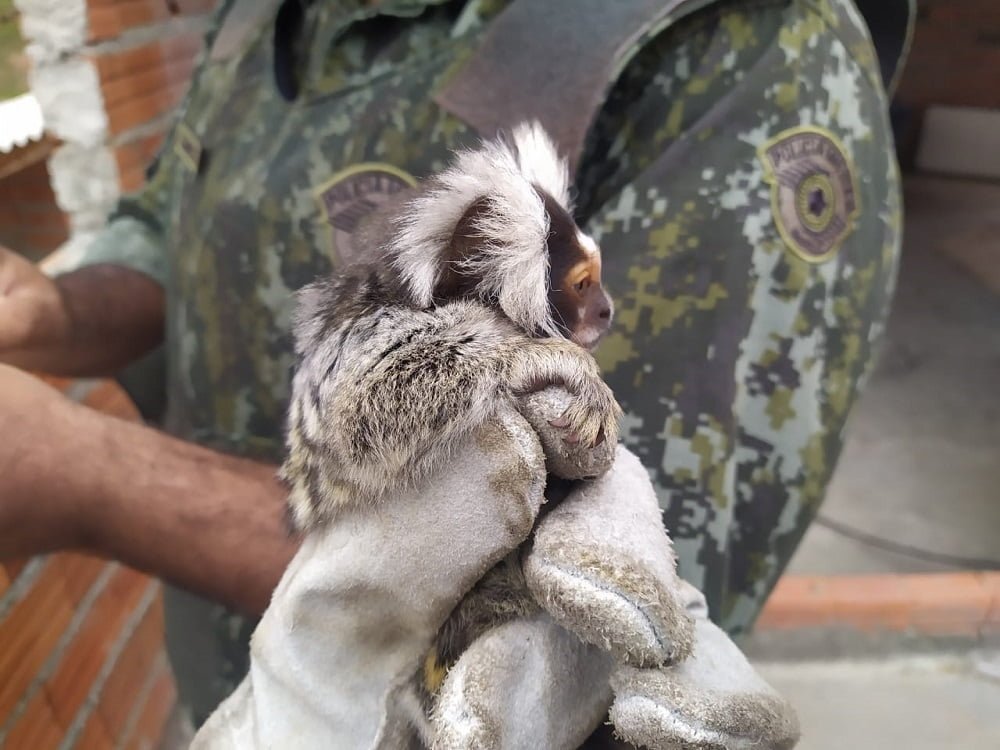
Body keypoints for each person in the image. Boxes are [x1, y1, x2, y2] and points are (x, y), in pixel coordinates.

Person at [0, 0, 912, 732]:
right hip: (230, 690)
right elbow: (171, 216)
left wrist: (95, 480)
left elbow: (628, 585)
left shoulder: (744, 48)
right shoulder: (268, 16)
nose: (602, 312)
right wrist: (60, 306)